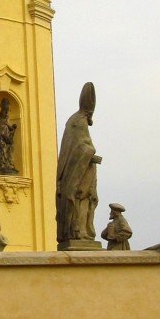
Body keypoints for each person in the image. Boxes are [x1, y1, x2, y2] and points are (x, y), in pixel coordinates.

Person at [56, 82, 102, 245]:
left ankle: (79, 232)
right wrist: (91, 154)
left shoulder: (73, 120)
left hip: (77, 169)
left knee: (84, 200)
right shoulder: (79, 121)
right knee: (80, 198)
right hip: (79, 173)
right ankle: (79, 232)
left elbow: (74, 147)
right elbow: (82, 147)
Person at [0, 96, 18, 174]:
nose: (7, 111)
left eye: (7, 108)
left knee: (10, 147)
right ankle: (2, 164)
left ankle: (8, 164)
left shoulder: (6, 119)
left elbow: (9, 127)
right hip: (0, 140)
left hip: (6, 140)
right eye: (5, 108)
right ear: (2, 107)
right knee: (1, 147)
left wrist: (13, 127)